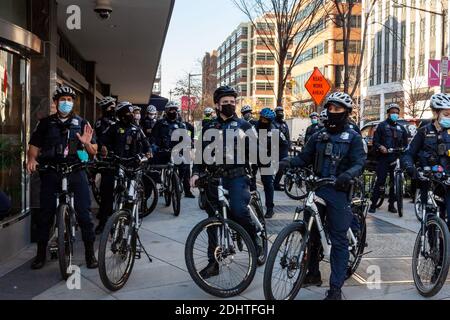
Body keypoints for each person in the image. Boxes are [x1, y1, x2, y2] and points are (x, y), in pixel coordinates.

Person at [279, 91, 366, 300]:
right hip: (317, 188)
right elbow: (303, 157)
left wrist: (347, 175)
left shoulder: (353, 137)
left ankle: (335, 288)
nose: (333, 112)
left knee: (338, 240)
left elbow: (359, 163)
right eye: (331, 108)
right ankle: (312, 273)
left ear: (346, 112)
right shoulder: (319, 136)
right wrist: (287, 163)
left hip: (338, 191)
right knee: (312, 234)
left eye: (338, 109)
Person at [190, 85, 261, 279]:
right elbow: (199, 154)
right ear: (217, 105)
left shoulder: (244, 126)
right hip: (214, 178)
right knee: (213, 221)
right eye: (225, 103)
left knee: (238, 211)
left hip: (237, 176)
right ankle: (213, 263)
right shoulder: (208, 127)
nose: (230, 105)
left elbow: (257, 151)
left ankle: (255, 241)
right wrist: (196, 173)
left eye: (232, 102)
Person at [26, 86, 98, 270]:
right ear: (56, 102)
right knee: (45, 214)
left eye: (70, 99)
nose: (67, 102)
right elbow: (34, 145)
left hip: (76, 170)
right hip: (51, 171)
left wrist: (87, 143)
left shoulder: (82, 123)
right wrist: (32, 159)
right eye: (63, 99)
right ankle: (41, 254)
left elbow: (94, 151)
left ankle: (90, 254)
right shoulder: (45, 123)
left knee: (84, 214)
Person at [97, 101, 151, 233]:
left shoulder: (136, 129)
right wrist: (103, 149)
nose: (132, 115)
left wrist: (148, 152)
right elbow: (102, 141)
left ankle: (127, 219)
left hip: (132, 166)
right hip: (115, 165)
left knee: (130, 196)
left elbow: (146, 144)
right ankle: (104, 223)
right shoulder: (113, 127)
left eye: (133, 112)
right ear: (121, 114)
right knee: (106, 195)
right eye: (129, 112)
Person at [402, 93, 450, 229]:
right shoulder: (423, 132)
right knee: (430, 224)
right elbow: (408, 154)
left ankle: (445, 248)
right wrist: (411, 169)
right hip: (429, 183)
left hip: (448, 183)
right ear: (435, 113)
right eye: (446, 114)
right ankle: (430, 246)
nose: (449, 117)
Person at [369, 103, 409, 214]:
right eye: (393, 112)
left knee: (394, 183)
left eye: (397, 113)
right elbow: (375, 142)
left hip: (396, 158)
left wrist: (404, 149)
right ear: (388, 113)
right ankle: (373, 204)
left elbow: (406, 144)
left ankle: (391, 205)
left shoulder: (401, 128)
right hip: (384, 158)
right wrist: (381, 147)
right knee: (380, 181)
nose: (395, 114)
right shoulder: (381, 126)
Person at [150, 102, 190, 192]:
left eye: (175, 110)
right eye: (171, 110)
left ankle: (178, 181)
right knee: (154, 165)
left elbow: (186, 139)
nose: (173, 111)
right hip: (162, 151)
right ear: (167, 111)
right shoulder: (159, 123)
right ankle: (158, 182)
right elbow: (153, 137)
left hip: (175, 152)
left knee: (184, 164)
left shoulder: (181, 124)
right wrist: (154, 146)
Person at [94, 96, 117, 234]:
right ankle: (103, 223)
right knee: (106, 193)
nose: (112, 109)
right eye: (110, 107)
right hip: (107, 161)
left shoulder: (119, 121)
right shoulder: (100, 123)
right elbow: (98, 140)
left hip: (121, 160)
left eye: (114, 106)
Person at [254, 108, 276, 219]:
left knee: (268, 183)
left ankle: (270, 208)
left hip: (265, 158)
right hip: (252, 158)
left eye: (266, 120)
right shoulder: (253, 126)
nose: (263, 121)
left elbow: (282, 145)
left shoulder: (273, 130)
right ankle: (254, 206)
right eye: (261, 118)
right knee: (250, 182)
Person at [178, 110, 196, 198]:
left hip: (185, 150)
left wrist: (192, 142)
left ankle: (187, 191)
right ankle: (167, 187)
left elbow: (193, 133)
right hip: (172, 150)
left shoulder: (187, 126)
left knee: (186, 171)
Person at [273, 106, 291, 191]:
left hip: (284, 149)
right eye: (278, 111)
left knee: (283, 166)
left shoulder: (284, 123)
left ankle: (276, 183)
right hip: (275, 148)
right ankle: (272, 183)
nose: (280, 113)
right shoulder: (272, 123)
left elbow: (287, 135)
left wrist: (289, 145)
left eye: (281, 111)